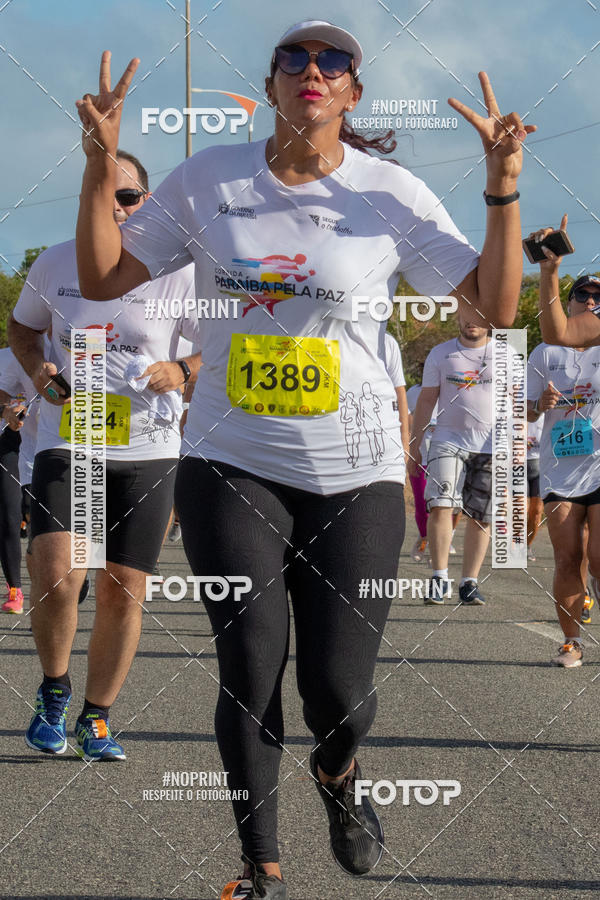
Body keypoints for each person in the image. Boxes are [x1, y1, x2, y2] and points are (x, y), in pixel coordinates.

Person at [74, 19, 530, 898]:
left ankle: (339, 772)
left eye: (333, 62)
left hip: (356, 471)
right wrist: (102, 165)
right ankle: (261, 866)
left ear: (353, 93)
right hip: (229, 459)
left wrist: (502, 189)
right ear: (273, 83)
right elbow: (103, 279)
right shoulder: (209, 176)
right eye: (295, 58)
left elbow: (496, 304)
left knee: (338, 692)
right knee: (249, 663)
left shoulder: (390, 191)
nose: (312, 70)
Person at [8, 149, 200, 761]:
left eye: (129, 197)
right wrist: (39, 371)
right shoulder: (57, 262)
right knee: (60, 573)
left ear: (147, 201)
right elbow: (22, 329)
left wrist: (181, 367)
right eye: (103, 193)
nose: (117, 207)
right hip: (74, 435)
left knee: (123, 587)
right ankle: (54, 690)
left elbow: (215, 348)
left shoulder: (179, 269)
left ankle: (97, 718)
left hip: (148, 443)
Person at [527, 217, 600, 666]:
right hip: (559, 465)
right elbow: (523, 411)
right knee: (568, 556)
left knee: (598, 555)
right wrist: (540, 403)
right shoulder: (546, 351)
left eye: (599, 298)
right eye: (584, 295)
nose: (591, 302)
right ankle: (571, 641)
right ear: (571, 301)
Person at [409, 312, 510, 605]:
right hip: (447, 440)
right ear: (457, 317)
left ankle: (469, 583)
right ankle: (439, 577)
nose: (471, 321)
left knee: (481, 516)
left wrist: (513, 451)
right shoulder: (441, 353)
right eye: (466, 315)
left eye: (479, 315)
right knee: (441, 506)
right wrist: (415, 447)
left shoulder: (506, 354)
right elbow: (427, 400)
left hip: (491, 446)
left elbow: (516, 402)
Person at [526, 415, 544, 561]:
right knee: (520, 508)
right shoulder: (514, 411)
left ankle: (527, 545)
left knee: (536, 511)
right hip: (516, 464)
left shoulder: (547, 414)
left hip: (540, 465)